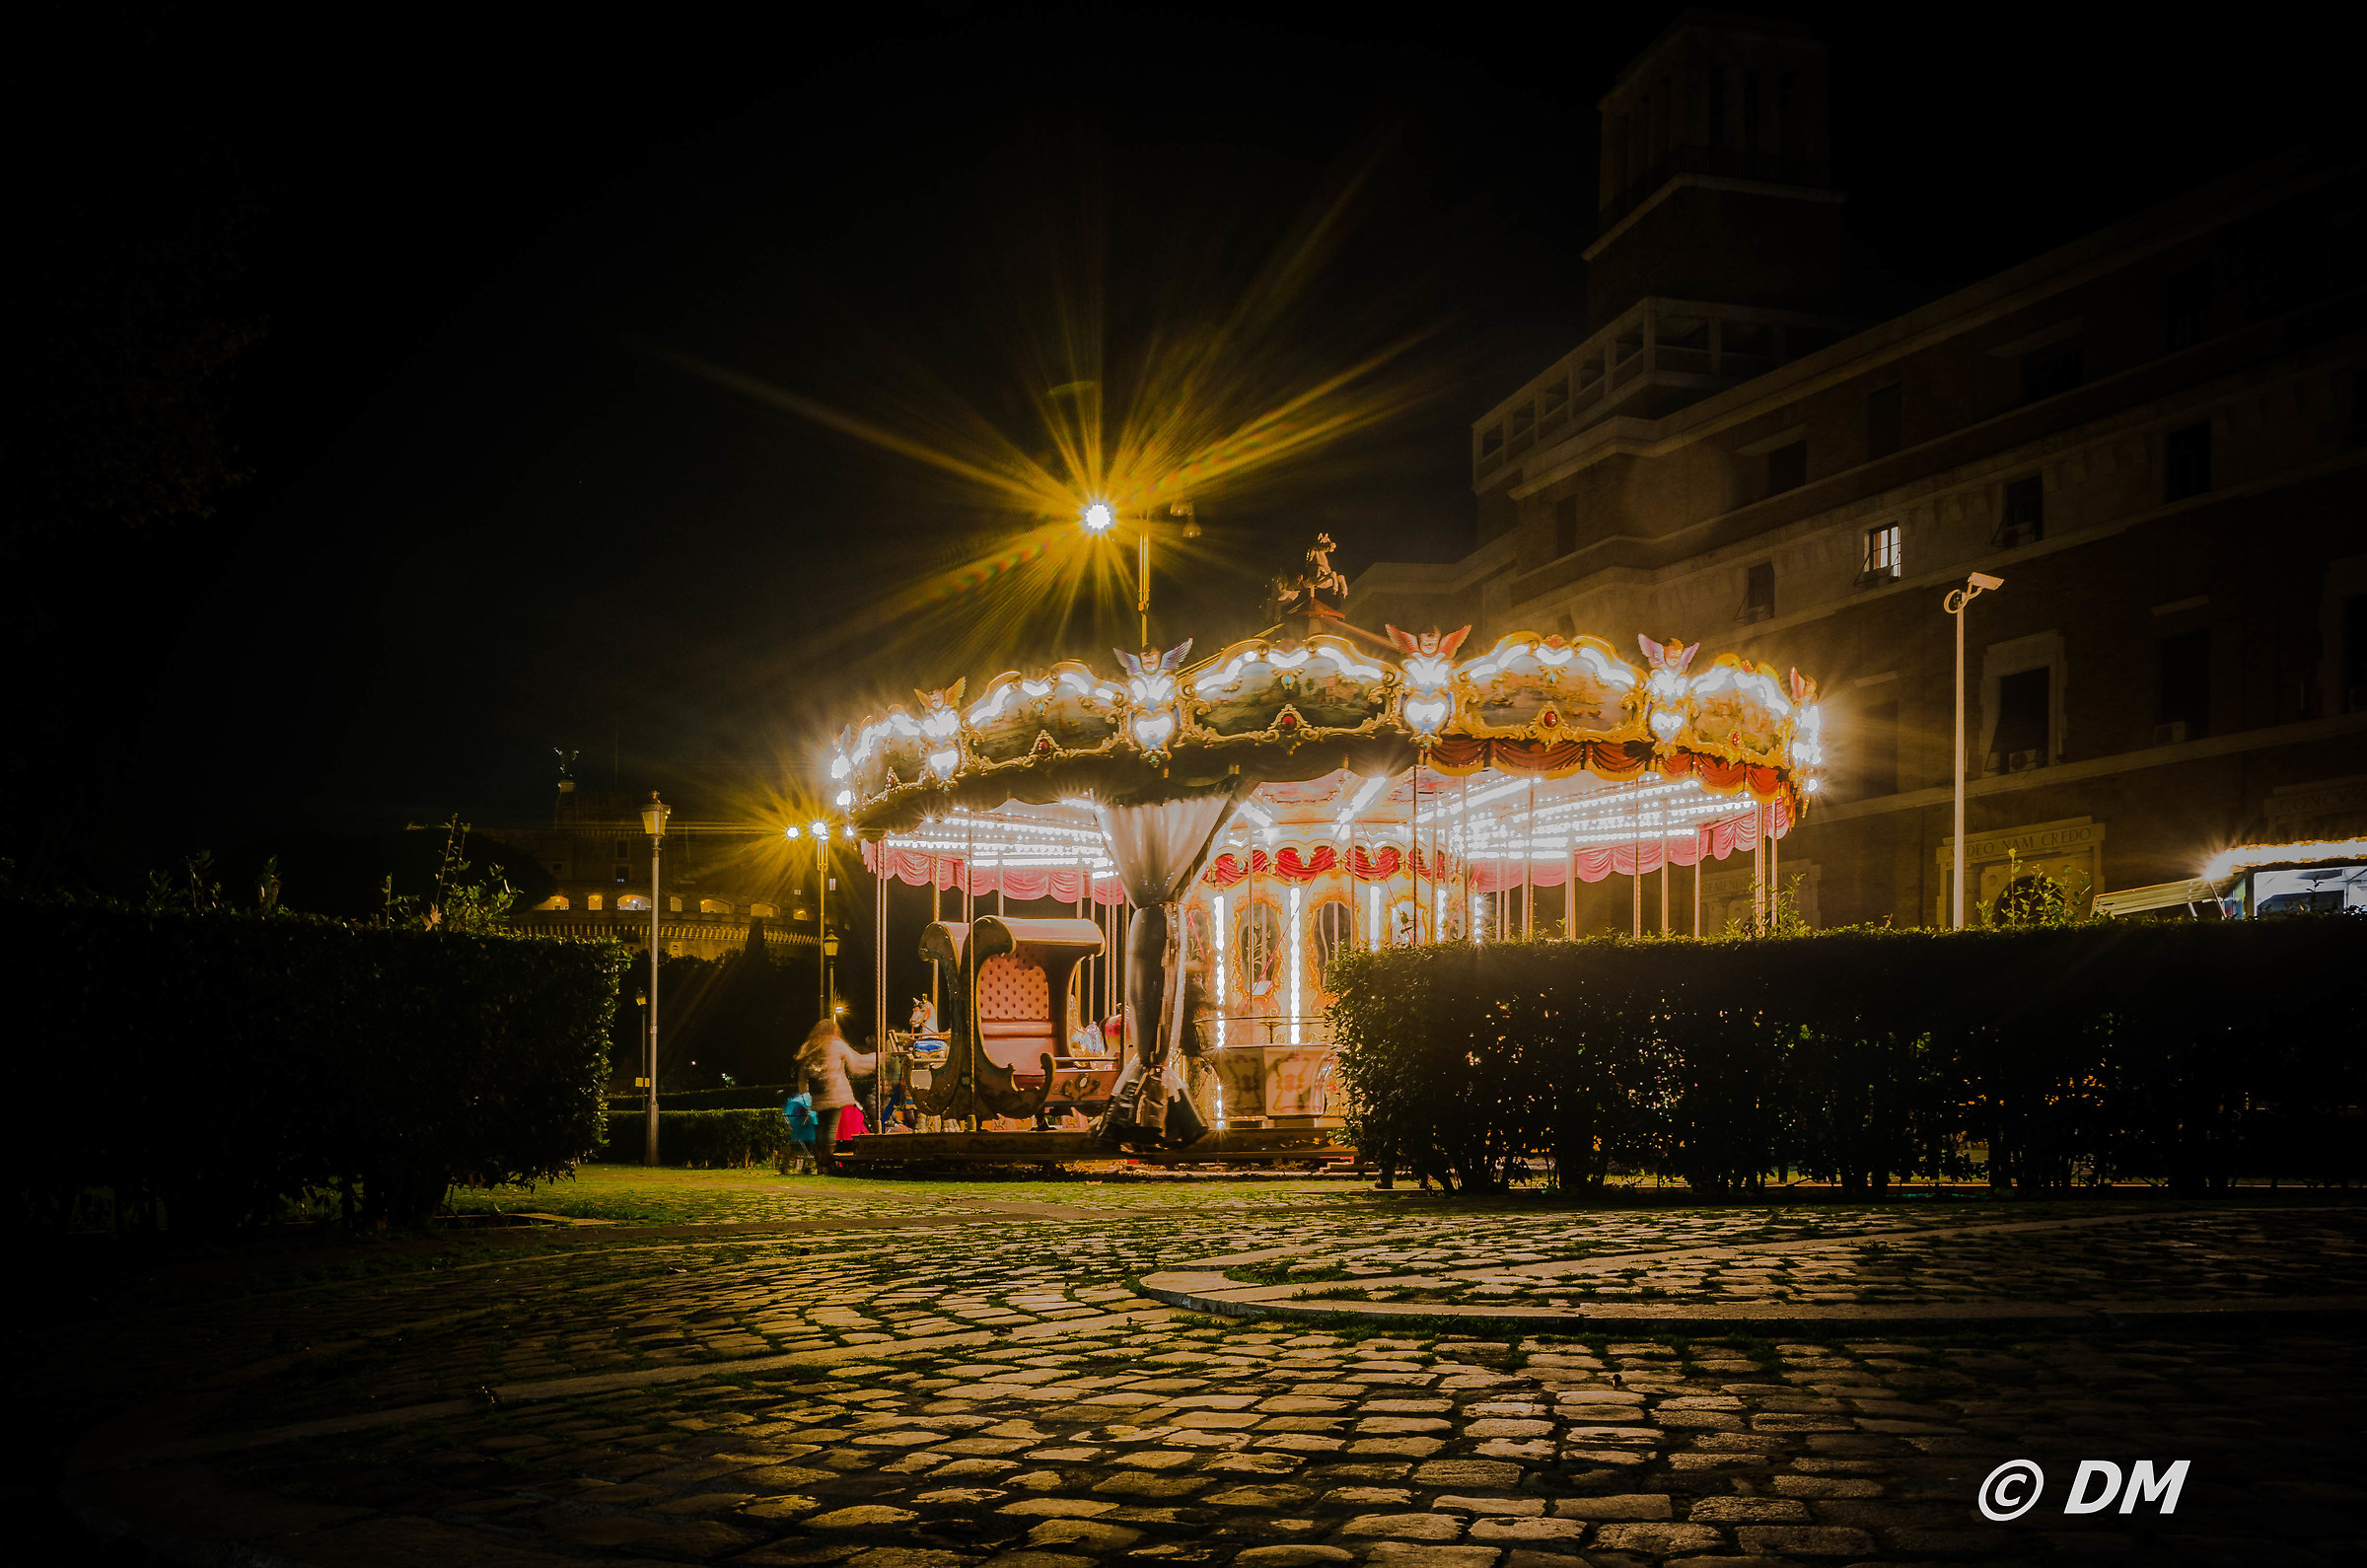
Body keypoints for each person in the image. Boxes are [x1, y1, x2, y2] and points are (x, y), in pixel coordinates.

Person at [798, 1018, 876, 1176]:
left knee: (820, 1129)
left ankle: (820, 1164)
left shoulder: (809, 1047)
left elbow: (802, 1074)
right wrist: (877, 1057)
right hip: (836, 1093)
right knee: (830, 1130)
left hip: (818, 1095)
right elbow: (857, 1064)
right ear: (834, 1030)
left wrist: (804, 1093)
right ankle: (827, 1164)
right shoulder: (836, 1044)